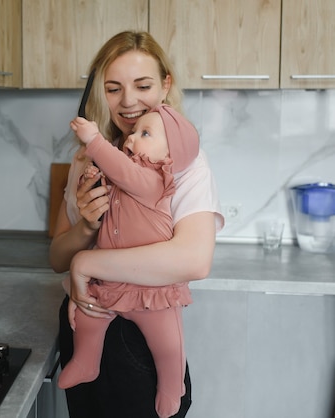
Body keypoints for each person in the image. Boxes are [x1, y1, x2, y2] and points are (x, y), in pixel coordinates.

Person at [49, 30, 224, 418]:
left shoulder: (185, 164)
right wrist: (85, 228)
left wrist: (87, 263)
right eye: (113, 88)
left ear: (165, 86)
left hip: (137, 334)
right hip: (85, 322)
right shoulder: (86, 160)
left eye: (142, 85)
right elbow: (58, 257)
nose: (127, 101)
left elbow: (194, 260)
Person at [58, 104, 200, 418]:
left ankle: (172, 385)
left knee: (167, 344)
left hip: (151, 289)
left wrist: (94, 140)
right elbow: (111, 190)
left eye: (145, 133)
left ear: (170, 153)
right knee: (88, 317)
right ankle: (86, 362)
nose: (132, 138)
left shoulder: (155, 179)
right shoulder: (123, 179)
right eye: (133, 133)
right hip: (112, 281)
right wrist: (91, 184)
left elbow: (123, 170)